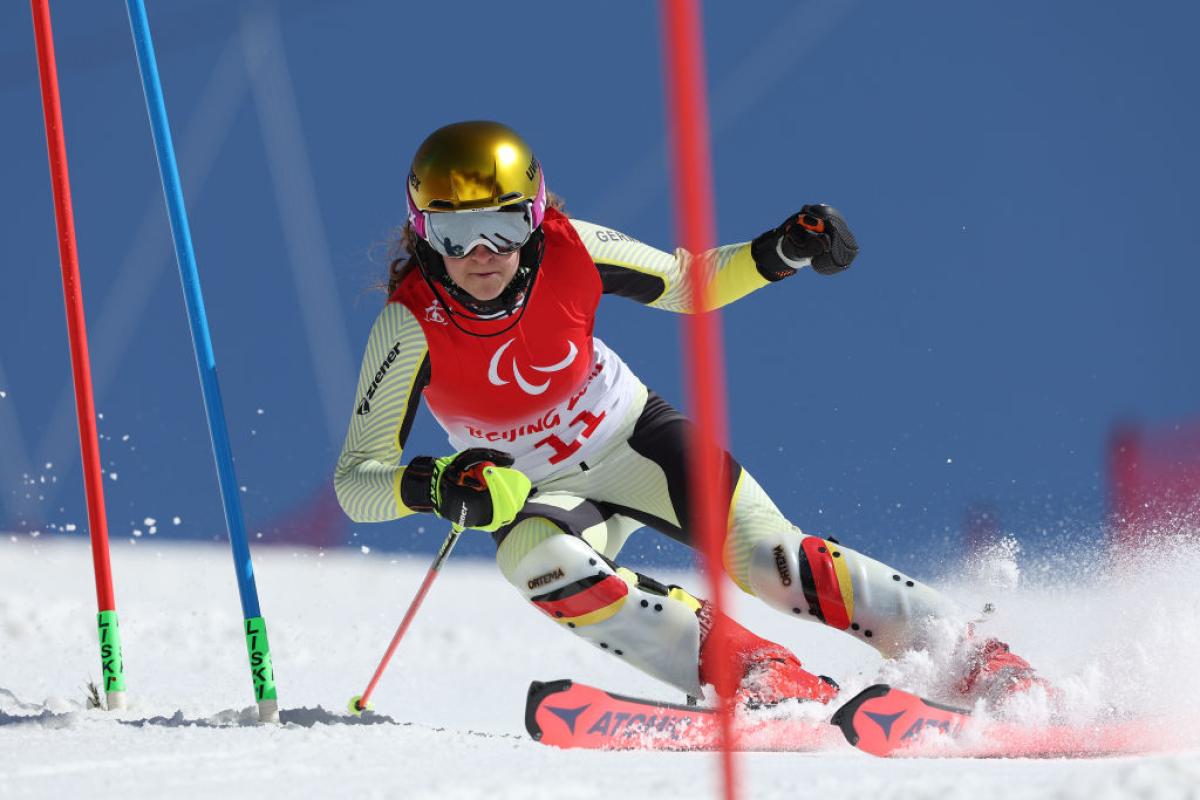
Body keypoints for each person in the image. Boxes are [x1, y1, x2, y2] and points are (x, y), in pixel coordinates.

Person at [334, 120, 1043, 708]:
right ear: (421, 233)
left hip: (636, 440)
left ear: (536, 215)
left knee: (773, 563)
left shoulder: (573, 251)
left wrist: (782, 251)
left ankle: (971, 655)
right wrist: (436, 485)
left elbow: (687, 281)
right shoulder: (408, 327)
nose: (481, 254)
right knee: (534, 560)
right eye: (454, 234)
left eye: (503, 224)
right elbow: (356, 480)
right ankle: (753, 672)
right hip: (539, 491)